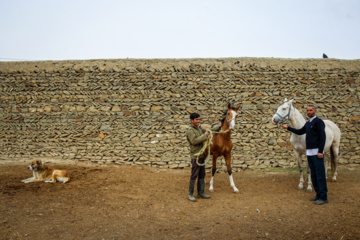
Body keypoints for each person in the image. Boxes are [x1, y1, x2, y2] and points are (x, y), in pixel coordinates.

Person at [282, 104, 328, 205]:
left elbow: (322, 137)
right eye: (307, 110)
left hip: (317, 153)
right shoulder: (308, 123)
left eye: (311, 110)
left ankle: (323, 197)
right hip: (309, 153)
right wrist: (288, 128)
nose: (309, 112)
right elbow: (300, 131)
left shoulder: (319, 122)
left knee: (320, 175)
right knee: (314, 175)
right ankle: (318, 195)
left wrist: (320, 151)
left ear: (315, 111)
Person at [186, 112, 221, 202]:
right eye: (196, 119)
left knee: (202, 174)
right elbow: (194, 141)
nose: (198, 121)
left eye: (199, 119)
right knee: (194, 175)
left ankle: (200, 193)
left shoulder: (199, 129)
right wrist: (205, 136)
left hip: (202, 155)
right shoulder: (190, 131)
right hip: (195, 156)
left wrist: (219, 126)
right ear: (192, 120)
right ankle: (190, 194)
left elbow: (209, 131)